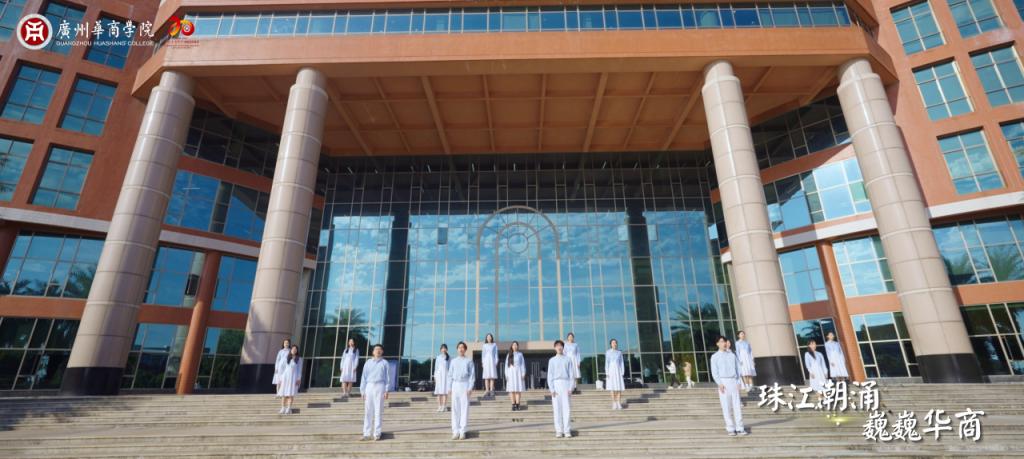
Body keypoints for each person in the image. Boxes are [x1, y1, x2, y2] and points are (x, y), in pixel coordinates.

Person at [711, 335, 747, 437]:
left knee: (737, 405)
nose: (724, 343)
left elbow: (738, 369)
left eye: (725, 341)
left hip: (733, 381)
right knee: (726, 406)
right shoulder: (715, 357)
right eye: (722, 341)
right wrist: (719, 383)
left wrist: (739, 382)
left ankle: (740, 428)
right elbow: (714, 372)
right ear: (717, 343)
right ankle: (730, 428)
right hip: (723, 382)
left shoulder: (732, 355)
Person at [360, 344, 390, 441]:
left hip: (380, 386)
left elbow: (388, 378)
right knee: (368, 411)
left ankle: (377, 433)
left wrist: (386, 390)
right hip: (369, 386)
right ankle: (366, 433)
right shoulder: (368, 362)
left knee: (378, 410)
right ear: (373, 352)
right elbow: (363, 377)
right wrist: (362, 391)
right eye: (376, 349)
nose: (378, 351)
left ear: (382, 352)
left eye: (380, 349)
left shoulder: (385, 363)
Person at [448, 341, 475, 440]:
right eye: (459, 347)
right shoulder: (453, 361)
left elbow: (472, 376)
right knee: (455, 409)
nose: (461, 349)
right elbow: (450, 375)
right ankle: (455, 431)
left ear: (465, 349)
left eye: (463, 347)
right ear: (457, 349)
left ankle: (463, 431)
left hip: (465, 384)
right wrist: (449, 387)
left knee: (464, 408)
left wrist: (470, 387)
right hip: (455, 384)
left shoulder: (469, 361)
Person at [547, 340, 574, 438]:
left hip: (566, 383)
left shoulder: (568, 359)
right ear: (555, 348)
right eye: (557, 346)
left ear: (563, 347)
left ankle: (567, 430)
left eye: (561, 345)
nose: (559, 347)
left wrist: (571, 388)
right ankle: (559, 430)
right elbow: (550, 375)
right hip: (556, 384)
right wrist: (552, 389)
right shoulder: (552, 360)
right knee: (557, 409)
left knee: (567, 409)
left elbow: (571, 375)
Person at [277, 344, 302, 414]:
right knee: (284, 393)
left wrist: (299, 379)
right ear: (291, 350)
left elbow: (299, 370)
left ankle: (289, 408)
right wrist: (280, 378)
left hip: (293, 378)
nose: (294, 350)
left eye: (295, 349)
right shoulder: (286, 358)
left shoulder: (299, 359)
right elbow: (282, 369)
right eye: (293, 349)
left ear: (297, 351)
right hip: (286, 377)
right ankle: (283, 407)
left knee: (291, 394)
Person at [505, 341, 526, 411]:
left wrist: (523, 373)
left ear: (518, 346)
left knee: (518, 390)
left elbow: (522, 364)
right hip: (511, 373)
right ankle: (513, 404)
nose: (515, 346)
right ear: (511, 346)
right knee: (511, 390)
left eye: (516, 345)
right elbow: (506, 366)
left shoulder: (520, 354)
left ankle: (518, 404)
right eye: (513, 345)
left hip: (518, 373)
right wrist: (506, 374)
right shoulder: (509, 354)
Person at [605, 339, 625, 410]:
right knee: (612, 387)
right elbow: (607, 363)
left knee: (619, 387)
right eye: (613, 342)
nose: (614, 344)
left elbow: (621, 362)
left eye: (615, 342)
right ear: (610, 344)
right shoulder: (608, 352)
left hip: (618, 371)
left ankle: (618, 402)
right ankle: (614, 403)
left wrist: (622, 371)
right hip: (611, 371)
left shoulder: (619, 352)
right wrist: (607, 372)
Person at [433, 344, 451, 412]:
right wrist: (435, 377)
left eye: (445, 348)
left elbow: (450, 368)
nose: (443, 349)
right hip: (439, 376)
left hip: (446, 376)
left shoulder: (449, 358)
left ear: (447, 349)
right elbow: (436, 368)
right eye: (442, 348)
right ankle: (439, 406)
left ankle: (444, 406)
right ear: (440, 350)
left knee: (445, 392)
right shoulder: (438, 357)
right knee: (439, 392)